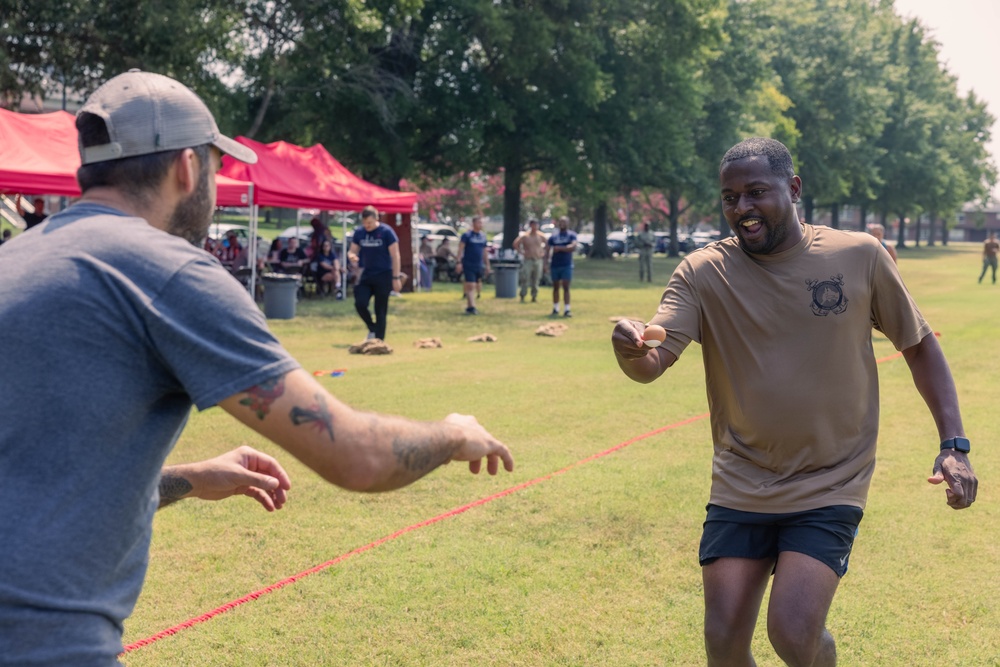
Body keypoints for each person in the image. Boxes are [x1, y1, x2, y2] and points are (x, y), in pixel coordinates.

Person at [0, 70, 513, 667]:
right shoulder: (168, 272)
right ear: (187, 170)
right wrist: (455, 432)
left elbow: (46, 481)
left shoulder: (16, 259)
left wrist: (189, 478)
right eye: (217, 170)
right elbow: (357, 457)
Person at [611, 137, 976, 667]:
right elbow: (651, 361)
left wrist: (954, 445)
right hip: (742, 477)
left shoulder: (858, 255)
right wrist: (628, 349)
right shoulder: (702, 272)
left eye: (756, 192)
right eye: (730, 197)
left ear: (794, 188)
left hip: (832, 477)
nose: (742, 208)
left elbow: (919, 347)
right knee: (724, 640)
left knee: (794, 632)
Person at [349, 205, 403, 340]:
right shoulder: (360, 233)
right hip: (366, 274)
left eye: (370, 223)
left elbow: (395, 255)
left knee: (381, 310)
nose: (367, 226)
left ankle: (379, 340)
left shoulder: (386, 232)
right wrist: (351, 256)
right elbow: (352, 250)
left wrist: (396, 277)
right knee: (360, 303)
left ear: (376, 219)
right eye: (364, 223)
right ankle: (372, 327)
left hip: (383, 274)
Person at [456, 216, 490, 315]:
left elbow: (484, 251)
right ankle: (472, 307)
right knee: (471, 285)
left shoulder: (483, 236)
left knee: (475, 285)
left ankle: (470, 306)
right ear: (474, 223)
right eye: (479, 222)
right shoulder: (467, 236)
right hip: (468, 264)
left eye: (481, 223)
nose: (481, 225)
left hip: (478, 264)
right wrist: (458, 262)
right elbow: (460, 249)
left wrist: (487, 265)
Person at [544, 215, 577, 317]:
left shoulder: (571, 235)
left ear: (568, 223)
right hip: (555, 264)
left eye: (564, 222)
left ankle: (567, 309)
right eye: (561, 222)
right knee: (555, 287)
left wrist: (560, 248)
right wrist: (545, 264)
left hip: (566, 264)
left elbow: (573, 246)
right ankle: (555, 308)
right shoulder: (554, 236)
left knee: (566, 286)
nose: (562, 224)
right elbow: (547, 249)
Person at [512, 218, 546, 303]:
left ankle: (534, 296)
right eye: (533, 225)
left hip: (538, 260)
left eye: (536, 225)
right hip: (528, 260)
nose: (535, 227)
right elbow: (515, 244)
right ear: (530, 225)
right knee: (525, 278)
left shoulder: (541, 235)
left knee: (536, 279)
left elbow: (548, 244)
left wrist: (543, 252)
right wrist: (521, 252)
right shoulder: (525, 236)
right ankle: (523, 295)